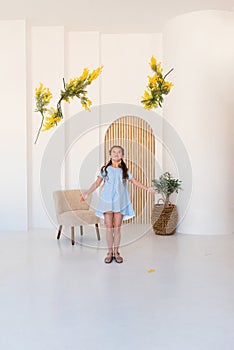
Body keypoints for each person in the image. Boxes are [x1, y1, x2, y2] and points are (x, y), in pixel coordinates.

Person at [80, 145, 156, 264]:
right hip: (107, 201)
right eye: (114, 152)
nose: (116, 154)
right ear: (110, 155)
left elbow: (135, 182)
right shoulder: (105, 169)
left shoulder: (125, 170)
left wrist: (147, 189)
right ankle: (109, 252)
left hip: (120, 202)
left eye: (119, 152)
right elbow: (97, 183)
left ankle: (116, 252)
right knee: (109, 228)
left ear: (122, 155)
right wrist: (87, 193)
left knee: (117, 228)